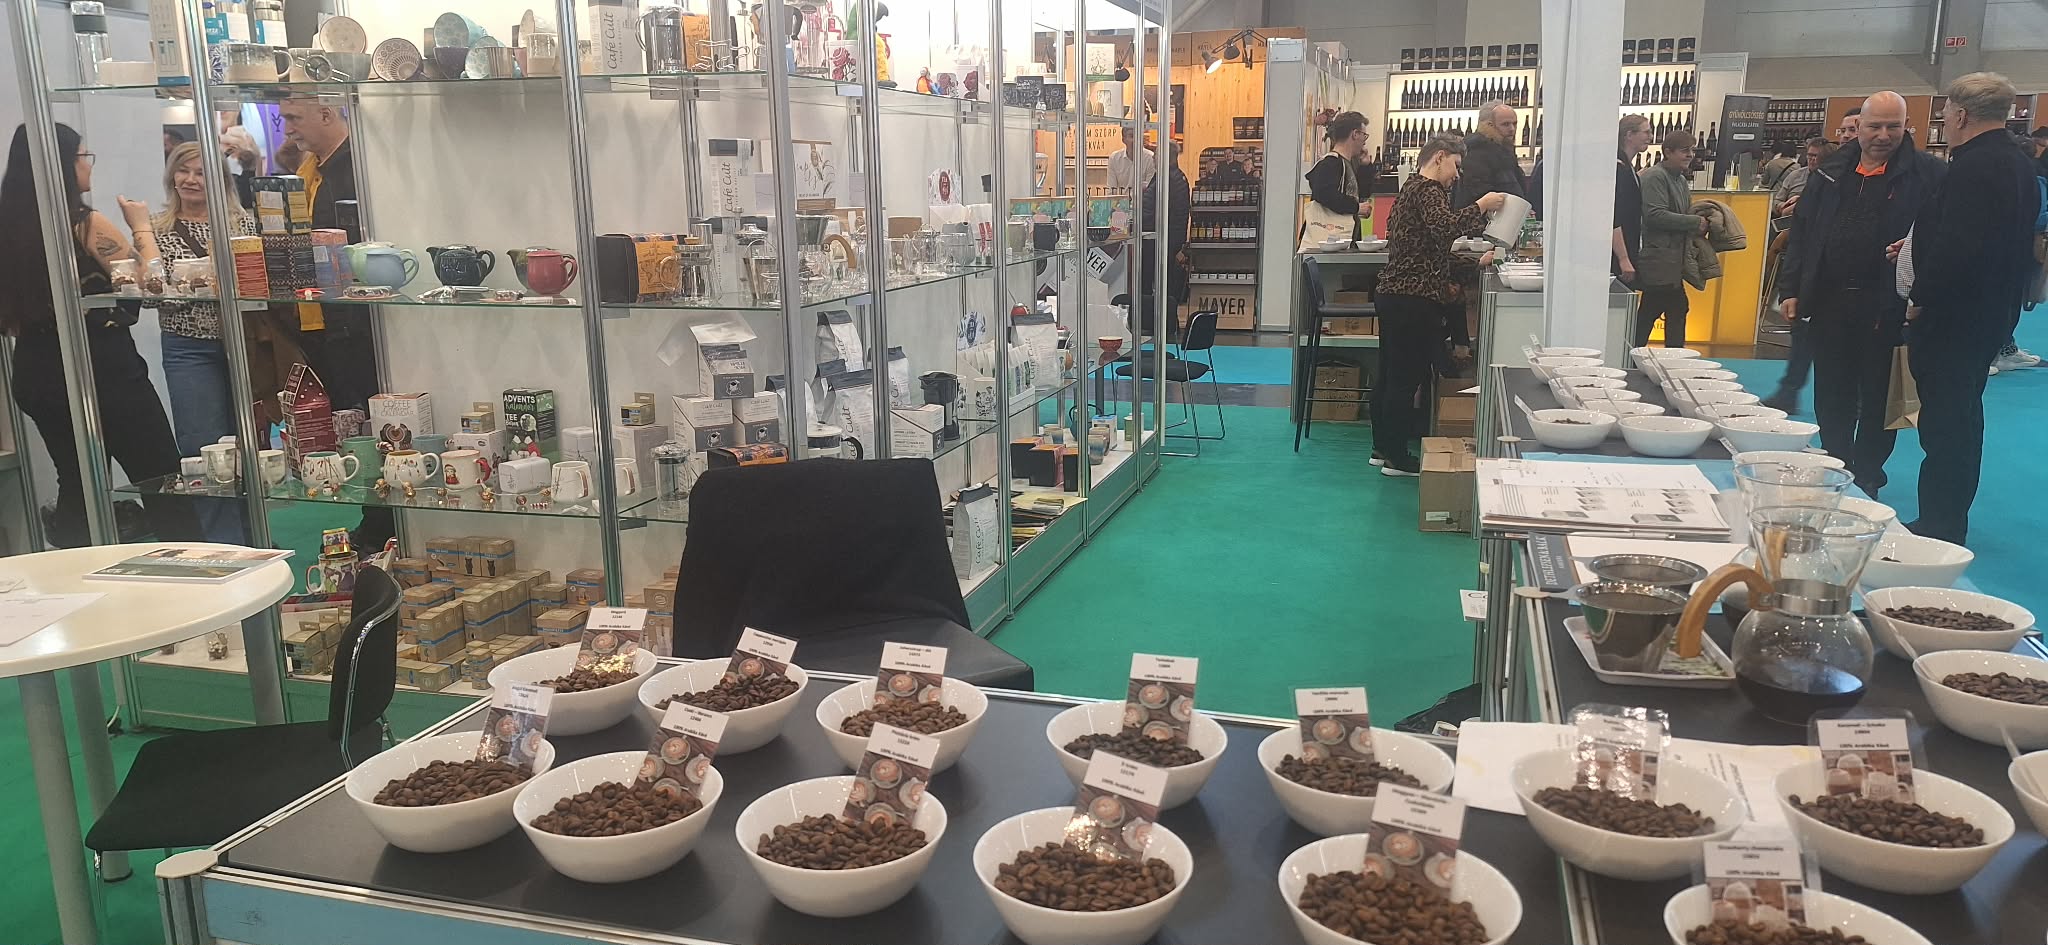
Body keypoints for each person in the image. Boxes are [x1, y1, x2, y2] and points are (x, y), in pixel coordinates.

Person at [0, 124, 198, 546]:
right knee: (161, 476)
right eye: (82, 157)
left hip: (35, 368)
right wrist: (142, 227)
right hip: (103, 367)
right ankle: (192, 568)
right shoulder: (84, 224)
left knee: (79, 482)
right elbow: (152, 283)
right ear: (62, 165)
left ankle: (74, 572)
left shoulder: (9, 230)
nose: (88, 166)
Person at [1774, 92, 1943, 497]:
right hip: (1830, 300)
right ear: (1857, 128)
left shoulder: (1929, 174)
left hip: (1888, 306)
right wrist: (1791, 288)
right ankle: (1836, 461)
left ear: (1907, 127)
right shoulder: (1830, 171)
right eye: (1875, 126)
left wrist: (1916, 260)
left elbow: (1943, 235)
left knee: (1880, 398)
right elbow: (1803, 233)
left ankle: (1867, 473)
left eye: (1893, 126)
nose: (1883, 135)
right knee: (1831, 391)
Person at [1900, 72, 2043, 544]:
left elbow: (1957, 247)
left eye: (1945, 112)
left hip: (1955, 317)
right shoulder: (2019, 164)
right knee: (1960, 418)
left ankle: (1939, 524)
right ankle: (1945, 518)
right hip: (1989, 311)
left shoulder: (1973, 167)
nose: (1944, 119)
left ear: (1960, 114)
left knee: (1947, 425)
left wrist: (1920, 298)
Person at [278, 98, 389, 548]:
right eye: (284, 119)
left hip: (359, 324)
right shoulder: (311, 171)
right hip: (324, 321)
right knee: (351, 422)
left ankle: (383, 523)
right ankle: (376, 518)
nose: (287, 129)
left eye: (294, 118)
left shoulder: (357, 170)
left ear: (326, 114)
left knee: (369, 420)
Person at [1373, 132, 1505, 477]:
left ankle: (1383, 447)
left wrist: (1475, 263)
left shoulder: (1411, 189)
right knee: (1405, 380)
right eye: (1456, 166)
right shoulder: (1428, 190)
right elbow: (1445, 229)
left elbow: (1429, 253)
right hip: (1412, 299)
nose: (1457, 175)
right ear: (1440, 157)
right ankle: (1397, 458)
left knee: (1390, 375)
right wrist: (1482, 205)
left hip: (1395, 295)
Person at [154, 141, 259, 542]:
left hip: (243, 345)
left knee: (249, 446)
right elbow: (147, 295)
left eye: (201, 172)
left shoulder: (242, 225)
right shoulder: (156, 229)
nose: (190, 180)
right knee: (202, 448)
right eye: (183, 171)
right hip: (187, 347)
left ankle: (255, 539)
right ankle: (223, 545)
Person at [1634, 129, 1707, 348]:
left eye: (1691, 150)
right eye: (1684, 150)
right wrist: (1694, 222)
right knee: (1673, 307)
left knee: (1655, 310)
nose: (1690, 155)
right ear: (1667, 152)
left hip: (1671, 260)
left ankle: (1632, 356)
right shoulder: (1655, 177)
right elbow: (1654, 215)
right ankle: (1671, 358)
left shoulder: (1680, 179)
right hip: (1658, 258)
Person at [1299, 111, 1371, 249]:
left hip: (1340, 240)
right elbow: (1324, 193)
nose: (1365, 140)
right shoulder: (1331, 163)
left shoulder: (1346, 163)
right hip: (1330, 242)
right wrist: (1356, 207)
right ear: (1355, 134)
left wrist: (1365, 167)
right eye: (1364, 135)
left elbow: (1361, 193)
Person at [1452, 100, 1526, 209]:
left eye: (1514, 124)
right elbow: (1479, 194)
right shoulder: (1476, 152)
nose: (1512, 129)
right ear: (1489, 125)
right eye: (1505, 124)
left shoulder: (1504, 149)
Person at [1613, 115, 1653, 285]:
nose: (1651, 137)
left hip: (1628, 248)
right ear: (1629, 135)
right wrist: (1623, 258)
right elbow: (1613, 216)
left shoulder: (1627, 168)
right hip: (1617, 254)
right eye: (1646, 132)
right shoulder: (1618, 167)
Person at [1106, 125, 1156, 193]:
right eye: (1131, 136)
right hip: (1122, 199)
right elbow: (1111, 190)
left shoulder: (1151, 158)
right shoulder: (1114, 158)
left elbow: (1150, 190)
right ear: (1123, 140)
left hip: (1143, 199)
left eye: (1138, 136)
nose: (1135, 140)